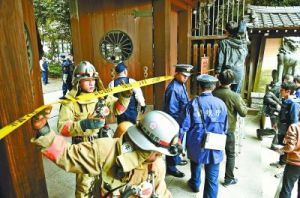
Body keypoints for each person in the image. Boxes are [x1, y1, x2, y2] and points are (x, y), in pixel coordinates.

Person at [32, 110, 181, 197]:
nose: (159, 157)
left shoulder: (157, 166)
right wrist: (44, 131)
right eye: (157, 152)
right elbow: (67, 155)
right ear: (145, 146)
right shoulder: (105, 150)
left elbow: (161, 192)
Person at [57, 61, 131, 197]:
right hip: (83, 147)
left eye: (93, 80)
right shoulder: (70, 101)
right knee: (85, 185)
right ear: (78, 82)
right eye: (87, 80)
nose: (91, 83)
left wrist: (125, 96)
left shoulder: (101, 95)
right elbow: (62, 128)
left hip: (103, 145)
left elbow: (118, 109)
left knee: (105, 181)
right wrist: (84, 124)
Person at [180, 74, 228, 197]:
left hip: (197, 142)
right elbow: (225, 127)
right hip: (215, 143)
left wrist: (179, 142)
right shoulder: (221, 104)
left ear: (200, 87)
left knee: (196, 162)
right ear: (213, 87)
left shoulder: (193, 103)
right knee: (212, 177)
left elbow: (184, 126)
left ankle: (195, 184)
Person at [213, 69, 248, 187]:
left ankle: (212, 175)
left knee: (214, 152)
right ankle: (229, 178)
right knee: (231, 154)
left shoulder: (213, 93)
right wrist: (243, 105)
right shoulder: (234, 96)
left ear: (219, 79)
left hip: (214, 130)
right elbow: (243, 113)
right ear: (232, 82)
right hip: (229, 130)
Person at [163, 64, 193, 178]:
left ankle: (176, 159)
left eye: (187, 76)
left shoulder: (180, 84)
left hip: (181, 120)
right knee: (173, 143)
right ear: (177, 73)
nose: (186, 78)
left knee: (178, 142)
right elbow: (172, 111)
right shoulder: (173, 88)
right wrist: (177, 126)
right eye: (184, 75)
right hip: (175, 121)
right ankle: (171, 168)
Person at [270, 81, 300, 169]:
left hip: (288, 129)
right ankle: (281, 161)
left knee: (287, 146)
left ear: (288, 91)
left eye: (282, 90)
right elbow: (281, 113)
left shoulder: (294, 104)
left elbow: (294, 121)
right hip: (282, 127)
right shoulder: (285, 100)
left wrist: (290, 132)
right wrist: (276, 122)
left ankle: (284, 164)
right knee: (282, 145)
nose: (280, 91)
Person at [215, 21, 248, 93]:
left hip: (226, 72)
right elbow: (245, 55)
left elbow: (220, 58)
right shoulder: (243, 43)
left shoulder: (224, 43)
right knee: (235, 94)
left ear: (227, 31)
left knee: (224, 92)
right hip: (239, 72)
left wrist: (217, 71)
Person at [277, 111, 300, 198]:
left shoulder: (294, 127)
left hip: (295, 163)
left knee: (287, 189)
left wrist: (281, 149)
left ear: (298, 115)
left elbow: (290, 147)